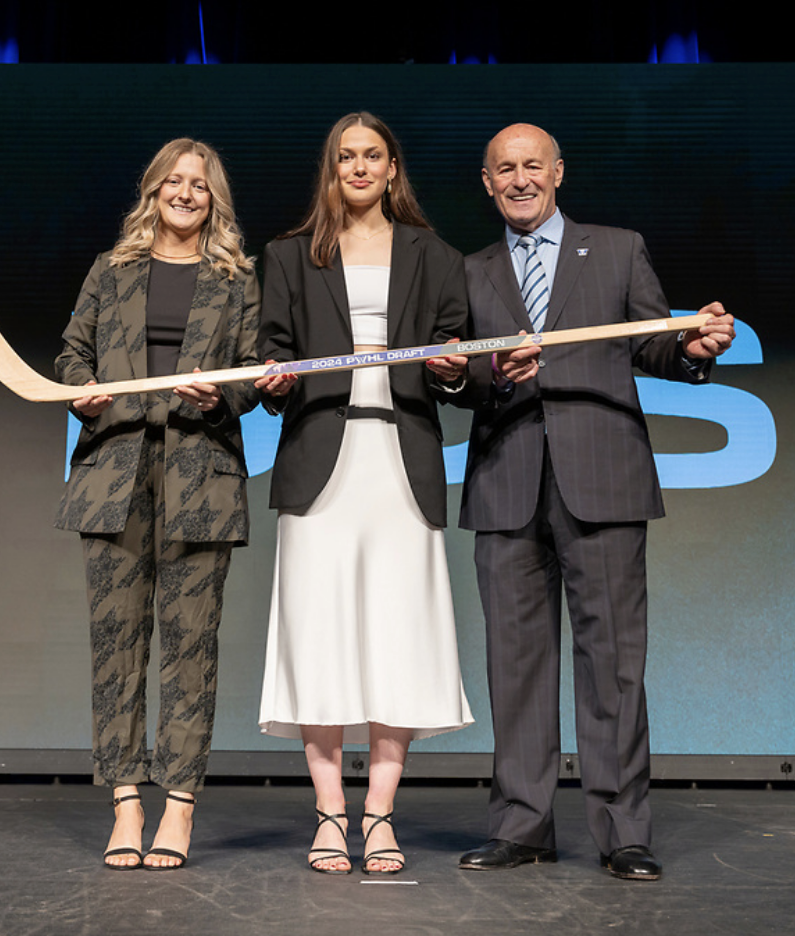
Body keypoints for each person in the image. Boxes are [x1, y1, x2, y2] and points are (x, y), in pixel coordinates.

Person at [454, 124, 736, 880]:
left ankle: (623, 832)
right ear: (487, 182)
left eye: (532, 166)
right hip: (506, 480)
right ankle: (522, 825)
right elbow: (456, 378)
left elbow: (652, 343)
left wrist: (692, 350)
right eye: (504, 169)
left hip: (603, 480)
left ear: (558, 173)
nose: (519, 179)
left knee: (612, 662)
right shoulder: (469, 270)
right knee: (515, 666)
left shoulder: (616, 249)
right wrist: (488, 374)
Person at [255, 112, 474, 875]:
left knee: (398, 638)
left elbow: (458, 361)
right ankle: (329, 814)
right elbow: (272, 354)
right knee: (318, 637)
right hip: (321, 463)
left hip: (401, 462)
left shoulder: (435, 255)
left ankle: (378, 816)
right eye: (345, 156)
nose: (358, 167)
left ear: (391, 168)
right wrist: (274, 378)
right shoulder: (289, 255)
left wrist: (452, 369)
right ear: (333, 168)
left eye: (371, 155)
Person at [54, 139, 261, 871]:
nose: (185, 193)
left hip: (201, 475)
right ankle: (124, 803)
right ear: (153, 191)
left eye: (199, 184)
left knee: (190, 647)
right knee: (116, 645)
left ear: (214, 199)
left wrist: (221, 395)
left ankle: (178, 805)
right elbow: (71, 353)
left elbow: (253, 372)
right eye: (173, 181)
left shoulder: (237, 278)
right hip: (114, 473)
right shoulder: (111, 270)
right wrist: (82, 391)